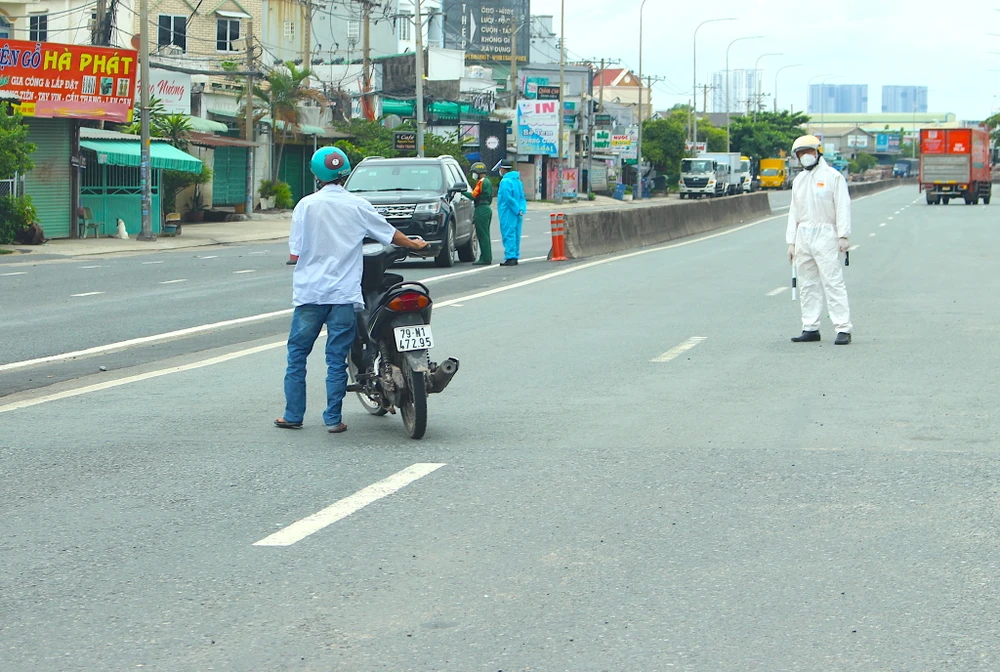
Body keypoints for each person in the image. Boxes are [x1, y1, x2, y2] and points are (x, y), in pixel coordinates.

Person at [275, 146, 429, 434]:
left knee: (297, 354)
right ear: (345, 173)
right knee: (336, 358)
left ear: (316, 175)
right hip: (344, 295)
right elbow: (389, 234)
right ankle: (333, 419)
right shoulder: (358, 205)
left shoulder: (306, 206)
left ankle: (292, 414)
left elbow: (295, 251)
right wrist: (415, 244)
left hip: (311, 294)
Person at [786, 134, 853, 346]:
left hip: (826, 234)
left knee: (832, 282)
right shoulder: (799, 181)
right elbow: (793, 212)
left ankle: (843, 328)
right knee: (807, 283)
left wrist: (843, 236)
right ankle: (810, 327)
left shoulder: (834, 177)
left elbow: (843, 206)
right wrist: (791, 242)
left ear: (817, 153)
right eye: (801, 153)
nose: (805, 156)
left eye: (808, 152)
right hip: (803, 235)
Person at [494, 158, 527, 266]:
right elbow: (522, 197)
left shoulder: (505, 181)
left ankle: (510, 257)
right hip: (518, 213)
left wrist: (516, 209)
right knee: (516, 234)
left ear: (503, 169)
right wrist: (521, 209)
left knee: (508, 234)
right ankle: (515, 256)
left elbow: (508, 199)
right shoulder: (517, 181)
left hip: (508, 212)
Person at [463, 162, 494, 265]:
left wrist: (461, 192)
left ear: (478, 172)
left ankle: (485, 258)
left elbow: (473, 195)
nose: (473, 174)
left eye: (474, 172)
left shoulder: (482, 182)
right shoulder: (488, 182)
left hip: (481, 209)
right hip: (486, 208)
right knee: (485, 234)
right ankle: (486, 256)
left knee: (482, 235)